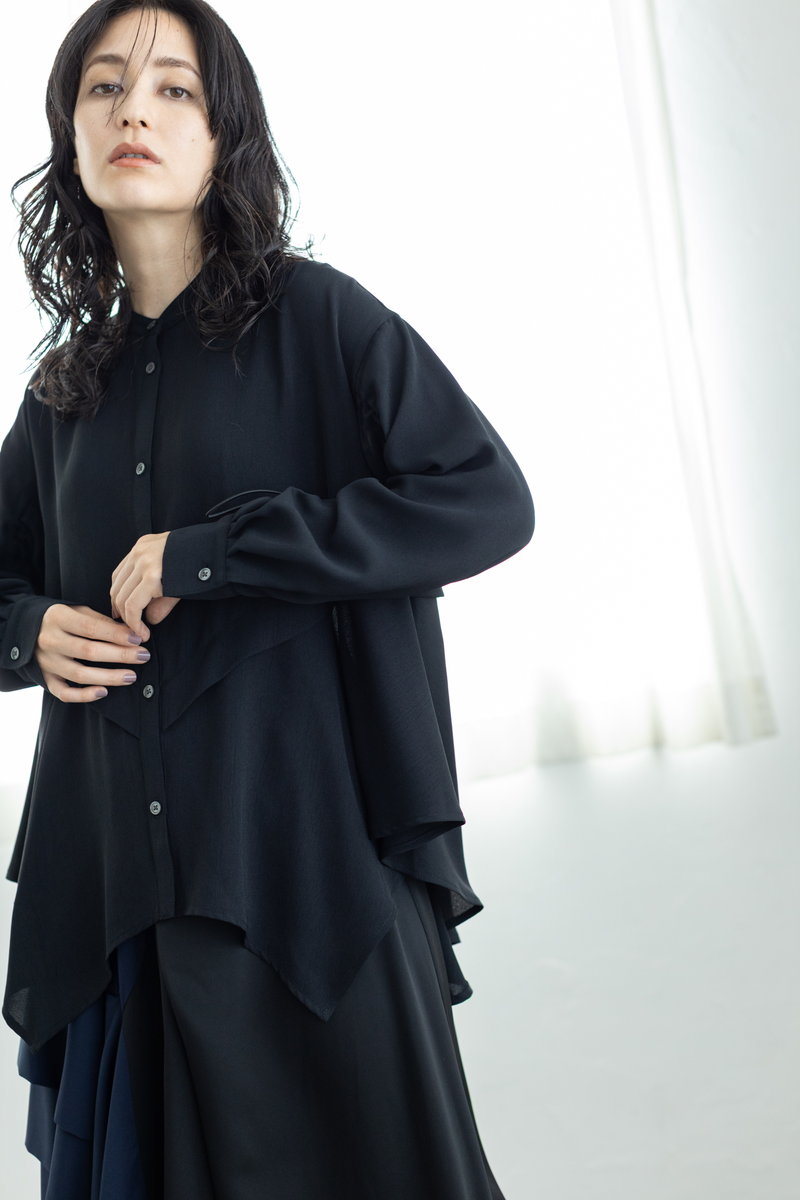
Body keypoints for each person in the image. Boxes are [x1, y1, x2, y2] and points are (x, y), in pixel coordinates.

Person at [0, 0, 535, 1196]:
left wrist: (218, 554)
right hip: (124, 904)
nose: (133, 111)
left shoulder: (317, 320)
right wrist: (30, 630)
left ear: (223, 132)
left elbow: (483, 499)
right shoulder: (63, 393)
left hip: (310, 888)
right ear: (69, 134)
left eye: (174, 90)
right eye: (103, 87)